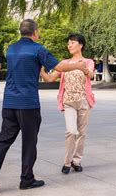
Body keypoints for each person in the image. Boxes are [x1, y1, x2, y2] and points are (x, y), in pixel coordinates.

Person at [0, 19, 87, 193]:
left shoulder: (11, 48)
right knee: (29, 142)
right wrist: (77, 65)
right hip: (28, 104)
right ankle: (26, 179)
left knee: (3, 140)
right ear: (35, 32)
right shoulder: (38, 49)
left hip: (9, 103)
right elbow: (58, 66)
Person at [40, 33, 95, 175]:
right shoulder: (64, 63)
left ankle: (76, 161)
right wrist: (41, 68)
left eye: (72, 42)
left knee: (82, 133)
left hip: (83, 101)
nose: (69, 45)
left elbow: (91, 75)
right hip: (68, 102)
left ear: (81, 45)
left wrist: (83, 68)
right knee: (71, 131)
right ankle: (67, 162)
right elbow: (50, 78)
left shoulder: (88, 62)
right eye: (69, 43)